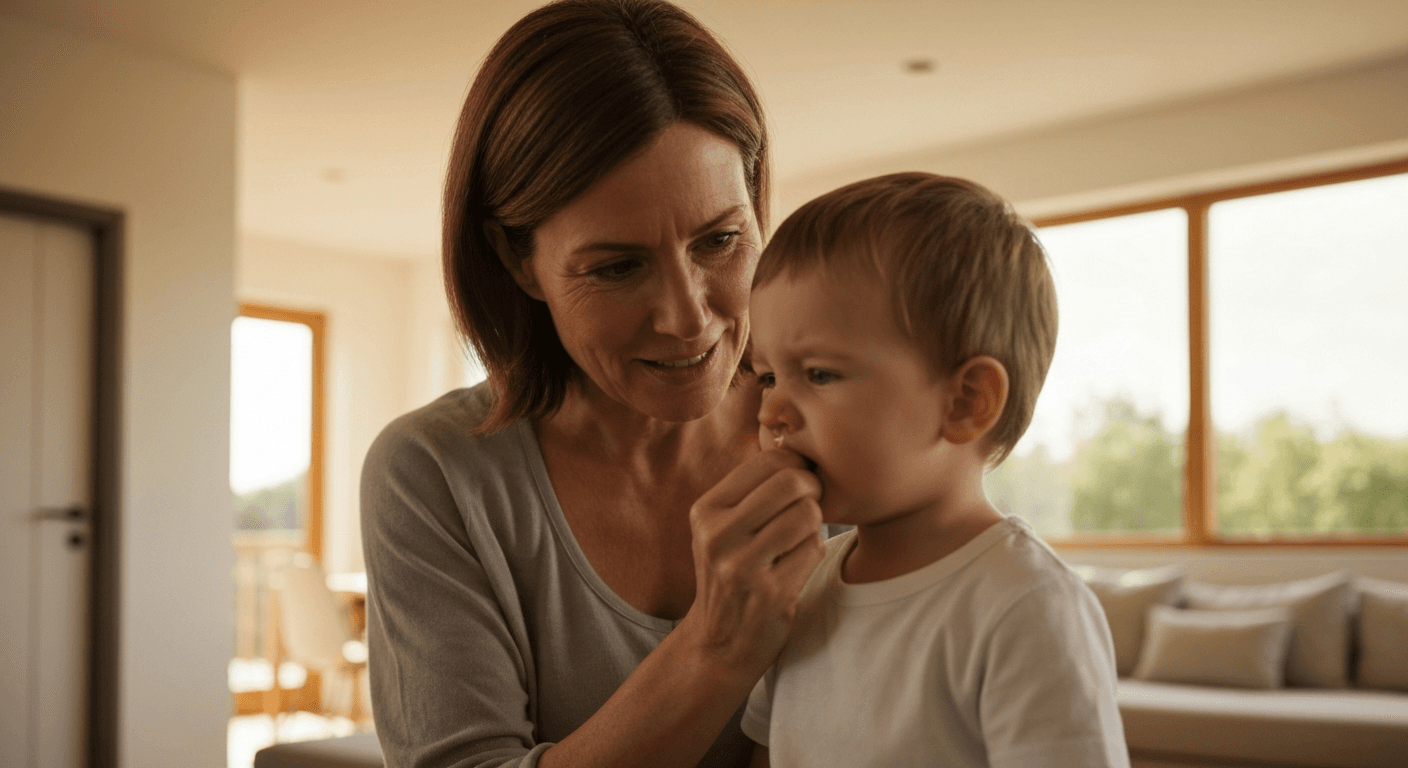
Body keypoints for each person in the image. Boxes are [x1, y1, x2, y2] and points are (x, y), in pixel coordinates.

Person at [360, 1, 826, 767]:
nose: (688, 317)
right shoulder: (436, 473)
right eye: (616, 267)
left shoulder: (835, 425)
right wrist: (715, 646)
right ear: (517, 261)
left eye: (720, 240)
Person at [741, 172, 1129, 767]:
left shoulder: (1024, 606)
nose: (770, 410)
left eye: (818, 374)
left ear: (965, 402)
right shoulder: (805, 586)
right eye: (768, 376)